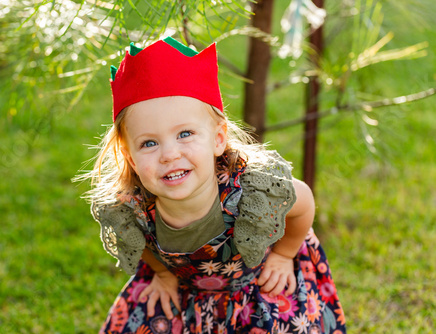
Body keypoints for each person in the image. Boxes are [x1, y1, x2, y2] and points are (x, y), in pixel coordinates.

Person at [83, 37, 346, 334]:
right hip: (189, 290)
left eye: (185, 134)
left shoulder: (251, 191)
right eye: (150, 143)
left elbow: (304, 202)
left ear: (218, 139)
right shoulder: (131, 209)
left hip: (258, 283)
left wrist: (285, 254)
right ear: (131, 159)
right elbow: (138, 243)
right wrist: (163, 274)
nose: (169, 154)